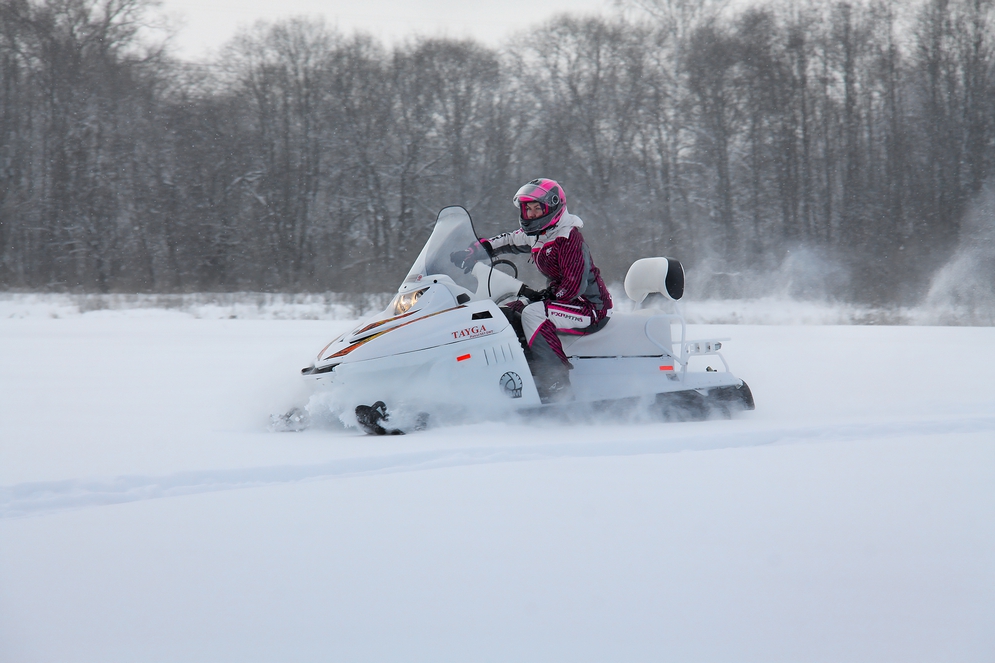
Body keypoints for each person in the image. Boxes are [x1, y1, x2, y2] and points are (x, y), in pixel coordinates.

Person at [450, 178, 613, 401]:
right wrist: (474, 251)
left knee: (533, 313)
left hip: (590, 307)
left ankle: (557, 383)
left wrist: (546, 298)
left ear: (553, 207)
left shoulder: (567, 237)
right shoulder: (542, 233)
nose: (533, 214)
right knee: (509, 310)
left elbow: (574, 285)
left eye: (538, 208)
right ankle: (517, 373)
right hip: (564, 299)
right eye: (528, 209)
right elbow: (507, 240)